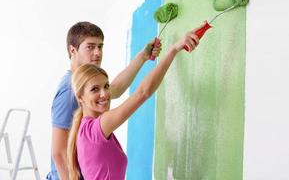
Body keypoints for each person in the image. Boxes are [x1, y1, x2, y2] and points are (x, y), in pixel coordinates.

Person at [67, 30, 200, 180]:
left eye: (106, 86)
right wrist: (174, 49)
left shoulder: (86, 128)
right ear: (81, 97)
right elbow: (143, 93)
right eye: (94, 89)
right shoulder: (96, 129)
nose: (104, 94)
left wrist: (143, 56)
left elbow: (117, 88)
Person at [47, 21, 161, 180]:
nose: (97, 53)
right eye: (90, 47)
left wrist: (142, 56)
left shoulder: (87, 83)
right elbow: (58, 153)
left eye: (100, 46)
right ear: (72, 50)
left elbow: (115, 88)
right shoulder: (68, 90)